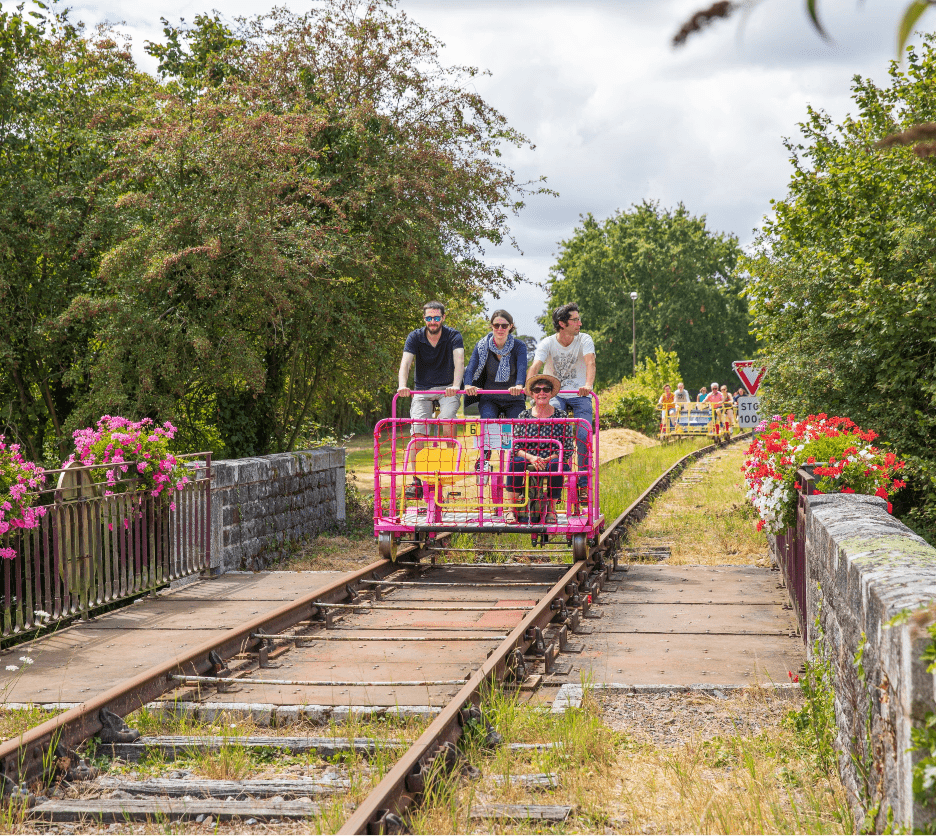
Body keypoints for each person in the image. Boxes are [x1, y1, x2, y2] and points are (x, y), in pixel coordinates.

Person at [527, 304, 596, 504]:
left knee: (583, 434)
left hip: (579, 393)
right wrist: (531, 391)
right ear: (562, 324)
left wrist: (588, 385)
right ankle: (551, 480)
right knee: (550, 431)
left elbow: (590, 362)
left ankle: (583, 484)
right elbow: (536, 367)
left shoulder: (584, 339)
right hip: (555, 392)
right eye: (575, 320)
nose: (579, 323)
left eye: (578, 319)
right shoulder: (547, 343)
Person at [504, 374, 575, 525]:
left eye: (546, 389)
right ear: (533, 394)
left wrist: (547, 459)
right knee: (514, 461)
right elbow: (515, 445)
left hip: (551, 458)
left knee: (557, 465)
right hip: (527, 457)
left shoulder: (561, 416)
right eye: (537, 389)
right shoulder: (524, 415)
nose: (541, 393)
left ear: (551, 393)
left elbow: (567, 447)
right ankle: (511, 509)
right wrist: (531, 458)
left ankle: (551, 509)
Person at [464, 310, 527, 469]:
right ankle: (484, 460)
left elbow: (522, 368)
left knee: (516, 429)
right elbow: (470, 368)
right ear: (491, 326)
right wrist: (468, 385)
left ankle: (516, 462)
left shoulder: (519, 346)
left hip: (514, 399)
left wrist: (519, 385)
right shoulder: (482, 345)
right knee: (487, 423)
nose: (500, 329)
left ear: (510, 326)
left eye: (504, 325)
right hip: (490, 397)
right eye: (496, 325)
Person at [397, 300, 465, 442]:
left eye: (436, 318)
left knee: (448, 421)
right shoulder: (415, 337)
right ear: (424, 319)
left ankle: (451, 463)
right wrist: (402, 385)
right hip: (423, 389)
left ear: (443, 318)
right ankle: (416, 465)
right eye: (429, 318)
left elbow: (459, 361)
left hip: (448, 389)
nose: (432, 322)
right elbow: (406, 362)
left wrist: (456, 386)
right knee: (418, 431)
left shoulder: (453, 336)